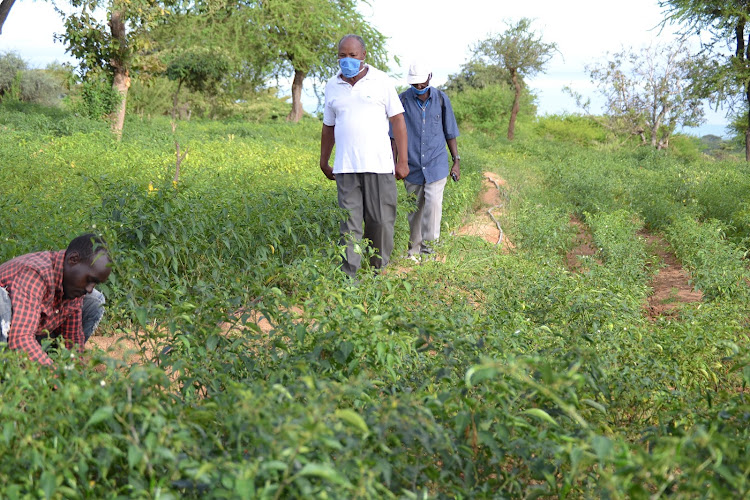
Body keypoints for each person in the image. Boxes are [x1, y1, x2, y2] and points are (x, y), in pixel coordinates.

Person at [319, 34, 409, 278]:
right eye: (342, 55)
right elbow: (329, 126)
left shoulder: (381, 81)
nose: (347, 60)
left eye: (352, 55)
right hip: (346, 167)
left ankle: (377, 272)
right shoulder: (331, 85)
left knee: (380, 222)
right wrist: (324, 160)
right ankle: (350, 278)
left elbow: (398, 120)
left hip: (379, 166)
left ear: (363, 56)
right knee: (349, 225)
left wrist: (402, 160)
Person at [0, 233, 111, 366]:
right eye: (89, 280)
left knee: (94, 300)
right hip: (10, 334)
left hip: (31, 331)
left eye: (95, 283)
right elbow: (20, 338)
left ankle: (41, 365)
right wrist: (56, 378)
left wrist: (72, 375)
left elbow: (72, 340)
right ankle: (9, 373)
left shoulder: (72, 285)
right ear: (73, 259)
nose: (89, 288)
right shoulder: (36, 273)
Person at [390, 61, 460, 261]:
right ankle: (413, 251)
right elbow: (393, 135)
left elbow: (450, 132)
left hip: (436, 164)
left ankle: (429, 254)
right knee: (415, 212)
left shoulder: (441, 99)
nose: (419, 88)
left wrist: (456, 161)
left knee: (433, 208)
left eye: (422, 83)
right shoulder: (402, 100)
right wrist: (394, 164)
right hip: (410, 165)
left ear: (430, 77)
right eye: (415, 85)